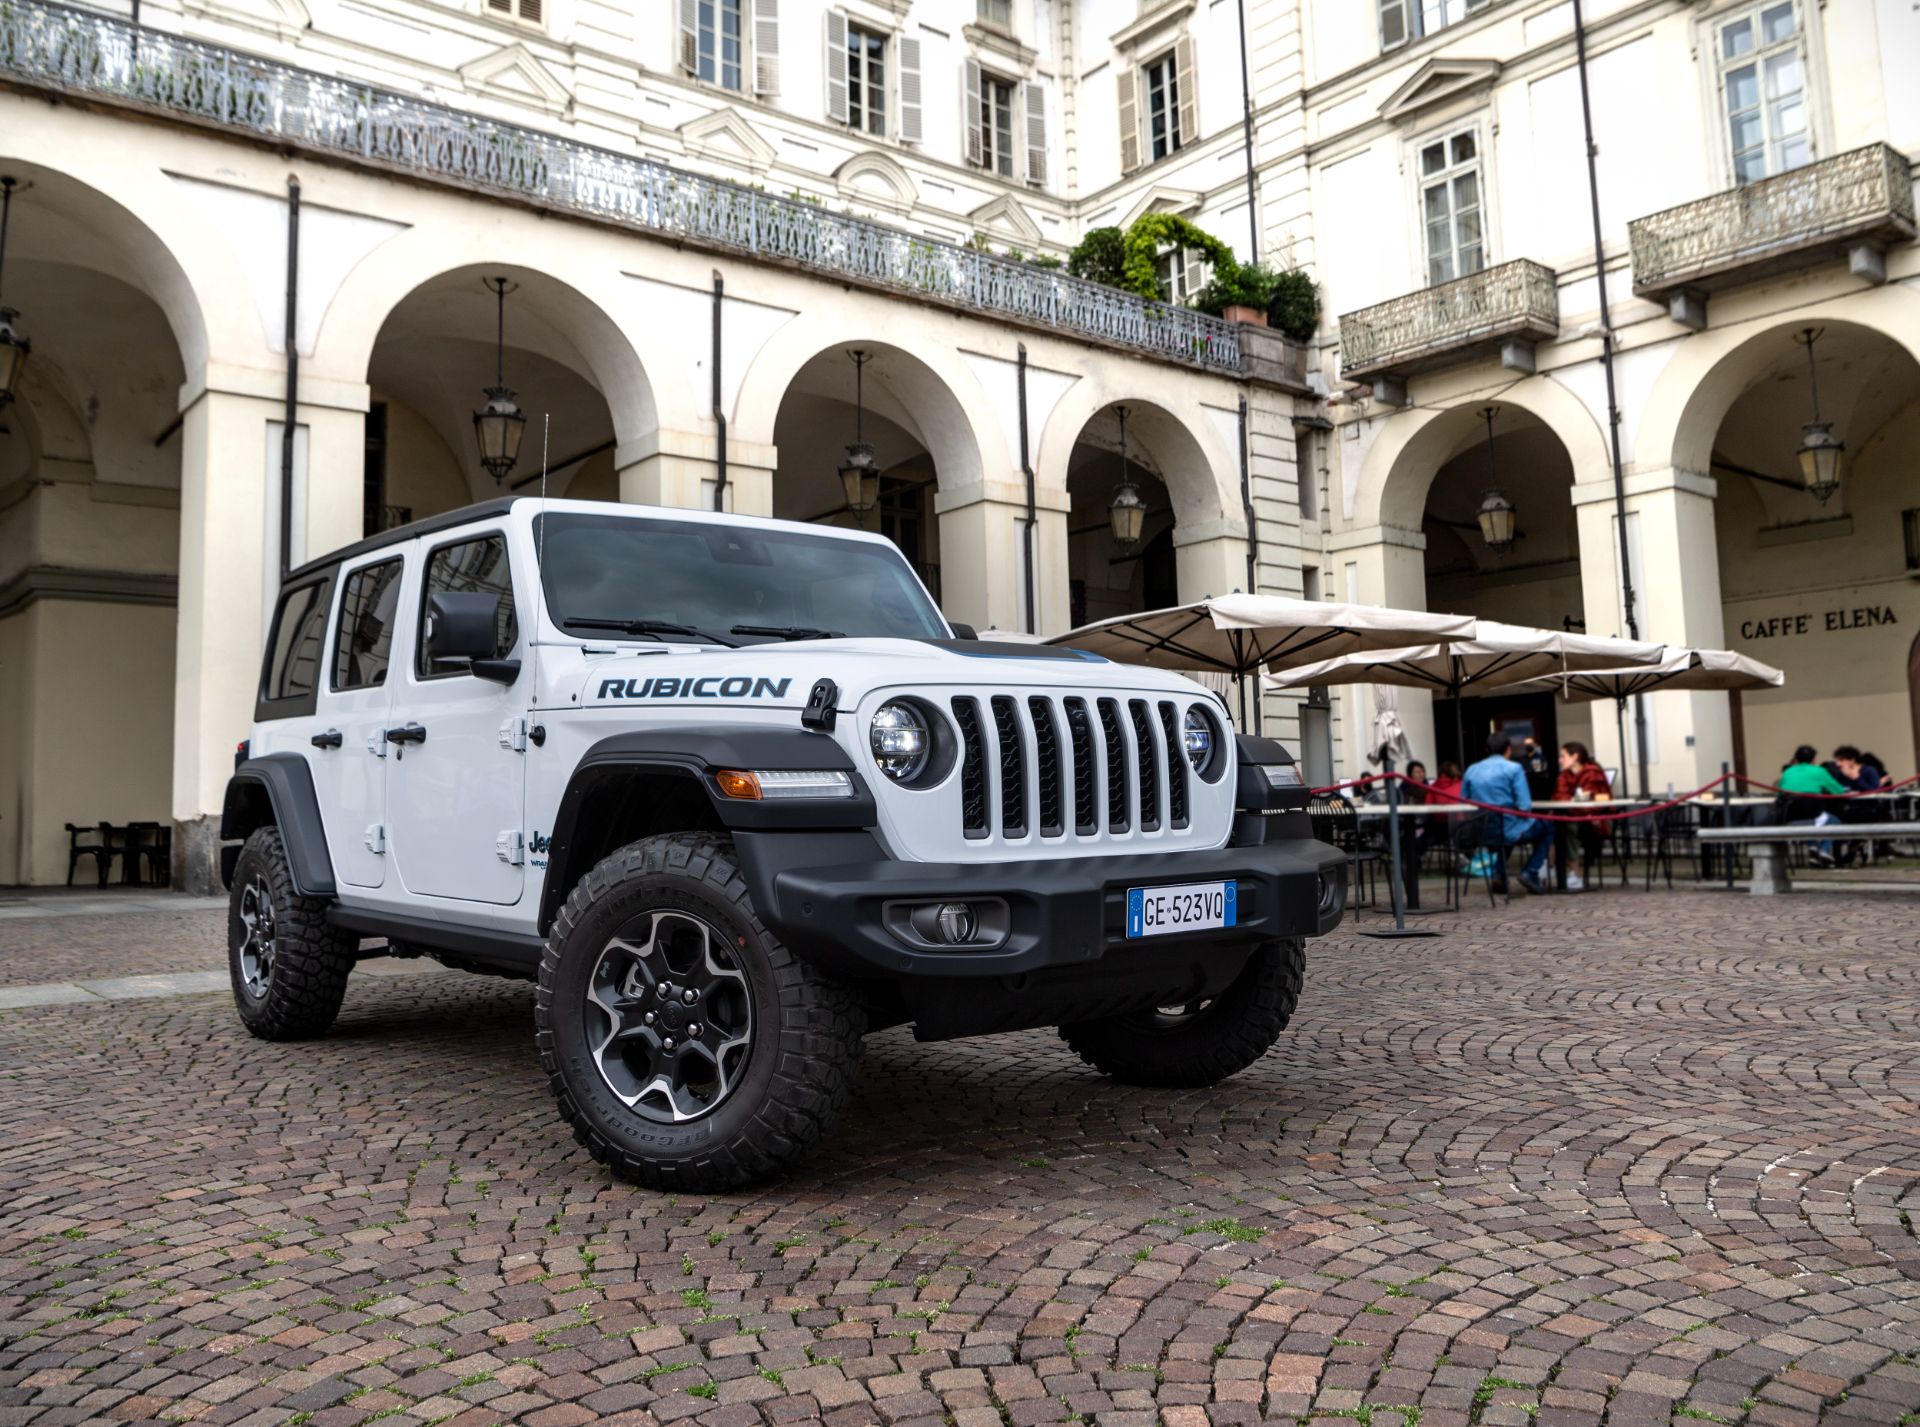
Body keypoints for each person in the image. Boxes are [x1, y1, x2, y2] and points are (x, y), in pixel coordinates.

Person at [1460, 732, 1549, 894]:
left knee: (1507, 828)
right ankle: (1531, 871)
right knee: (1547, 826)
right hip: (1507, 830)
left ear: (1487, 750)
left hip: (1480, 832)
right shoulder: (1514, 769)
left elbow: (1463, 803)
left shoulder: (1471, 770)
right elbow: (1524, 806)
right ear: (1508, 749)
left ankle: (1499, 874)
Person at [1552, 741, 1611, 891]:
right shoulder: (1564, 776)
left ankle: (1573, 874)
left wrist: (1573, 803)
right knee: (1552, 824)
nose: (1559, 760)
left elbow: (1593, 802)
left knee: (1567, 826)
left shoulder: (1593, 773)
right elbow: (1559, 797)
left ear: (1575, 757)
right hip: (1574, 817)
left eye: (1563, 756)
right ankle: (1550, 866)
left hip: (1596, 821)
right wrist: (1574, 802)